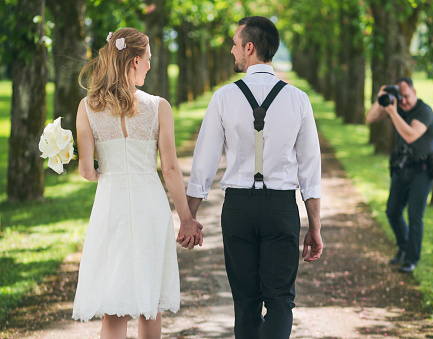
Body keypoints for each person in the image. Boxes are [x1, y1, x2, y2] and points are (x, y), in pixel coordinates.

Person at [183, 16, 323, 339]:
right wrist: (314, 226)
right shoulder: (298, 100)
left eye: (234, 44)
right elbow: (310, 171)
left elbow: (203, 167)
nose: (232, 51)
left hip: (238, 210)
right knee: (280, 303)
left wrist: (189, 217)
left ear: (250, 48)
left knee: (245, 303)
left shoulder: (223, 98)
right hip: (280, 209)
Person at [72, 28, 202, 338]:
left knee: (115, 304)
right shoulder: (159, 107)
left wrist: (91, 162)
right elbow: (169, 169)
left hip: (111, 207)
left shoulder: (87, 107)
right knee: (148, 300)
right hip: (149, 205)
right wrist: (187, 219)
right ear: (133, 62)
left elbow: (88, 171)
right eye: (147, 59)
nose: (149, 65)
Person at [366, 77, 433, 273]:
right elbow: (370, 117)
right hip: (402, 167)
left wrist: (392, 112)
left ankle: (411, 260)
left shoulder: (424, 111)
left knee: (415, 216)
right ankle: (404, 248)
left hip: (423, 170)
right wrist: (381, 99)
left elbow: (410, 135)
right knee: (392, 210)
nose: (403, 101)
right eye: (400, 97)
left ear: (415, 92)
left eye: (406, 96)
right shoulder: (396, 107)